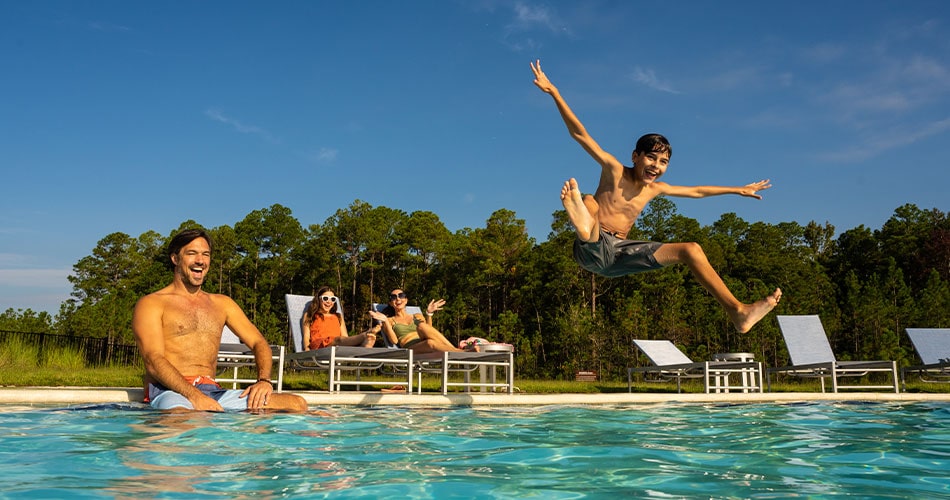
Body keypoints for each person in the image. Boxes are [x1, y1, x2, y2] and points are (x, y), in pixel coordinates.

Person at [531, 60, 782, 333]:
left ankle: (738, 311)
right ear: (635, 156)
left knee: (692, 249)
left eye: (663, 162)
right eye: (651, 157)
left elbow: (697, 191)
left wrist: (737, 189)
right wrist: (554, 92)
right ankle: (583, 222)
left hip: (621, 256)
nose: (656, 166)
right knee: (591, 200)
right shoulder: (614, 170)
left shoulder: (655, 188)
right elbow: (580, 134)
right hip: (592, 247)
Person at [132, 228, 308, 412]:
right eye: (192, 253)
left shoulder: (222, 304)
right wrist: (195, 397)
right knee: (186, 419)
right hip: (169, 391)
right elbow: (153, 360)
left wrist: (263, 381)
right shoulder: (152, 303)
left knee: (296, 405)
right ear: (175, 259)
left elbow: (258, 342)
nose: (200, 260)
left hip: (213, 392)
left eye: (205, 254)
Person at [368, 289, 472, 353]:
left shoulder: (416, 315)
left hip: (424, 339)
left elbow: (429, 330)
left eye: (401, 296)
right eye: (393, 297)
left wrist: (429, 314)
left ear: (406, 300)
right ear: (391, 303)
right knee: (430, 342)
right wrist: (385, 321)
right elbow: (394, 341)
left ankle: (456, 351)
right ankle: (460, 352)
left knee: (422, 326)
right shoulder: (390, 320)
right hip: (411, 348)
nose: (398, 299)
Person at [302, 286, 379, 350]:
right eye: (325, 298)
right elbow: (306, 336)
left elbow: (345, 337)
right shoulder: (310, 315)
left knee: (341, 340)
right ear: (318, 299)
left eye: (332, 299)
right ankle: (365, 335)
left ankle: (366, 344)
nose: (329, 302)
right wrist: (306, 348)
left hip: (337, 346)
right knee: (338, 339)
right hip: (319, 346)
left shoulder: (338, 316)